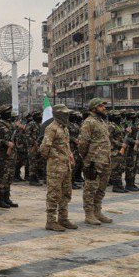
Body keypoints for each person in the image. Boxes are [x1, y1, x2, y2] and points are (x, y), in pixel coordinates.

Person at [39, 103, 75, 231]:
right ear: (59, 114)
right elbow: (44, 148)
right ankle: (51, 221)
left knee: (66, 193)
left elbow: (65, 145)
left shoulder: (64, 128)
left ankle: (63, 218)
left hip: (66, 166)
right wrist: (54, 159)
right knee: (54, 194)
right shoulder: (51, 128)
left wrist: (69, 155)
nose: (67, 116)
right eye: (65, 114)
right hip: (55, 168)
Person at [77, 98, 113, 226]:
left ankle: (97, 211)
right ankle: (89, 214)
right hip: (93, 161)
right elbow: (83, 143)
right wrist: (87, 158)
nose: (104, 107)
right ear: (93, 108)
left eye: (104, 105)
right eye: (101, 105)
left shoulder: (102, 121)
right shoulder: (89, 122)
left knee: (101, 187)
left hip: (105, 160)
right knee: (91, 187)